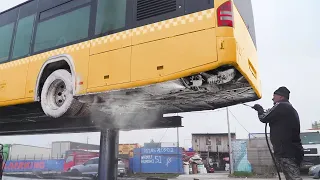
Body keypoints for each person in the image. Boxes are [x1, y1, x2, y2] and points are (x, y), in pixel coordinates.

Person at [252, 86, 304, 180]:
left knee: (294, 178)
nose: (272, 98)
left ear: (281, 97)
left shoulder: (281, 106)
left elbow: (264, 118)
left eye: (274, 96)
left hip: (287, 152)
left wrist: (259, 110)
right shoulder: (288, 108)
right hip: (292, 151)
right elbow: (271, 114)